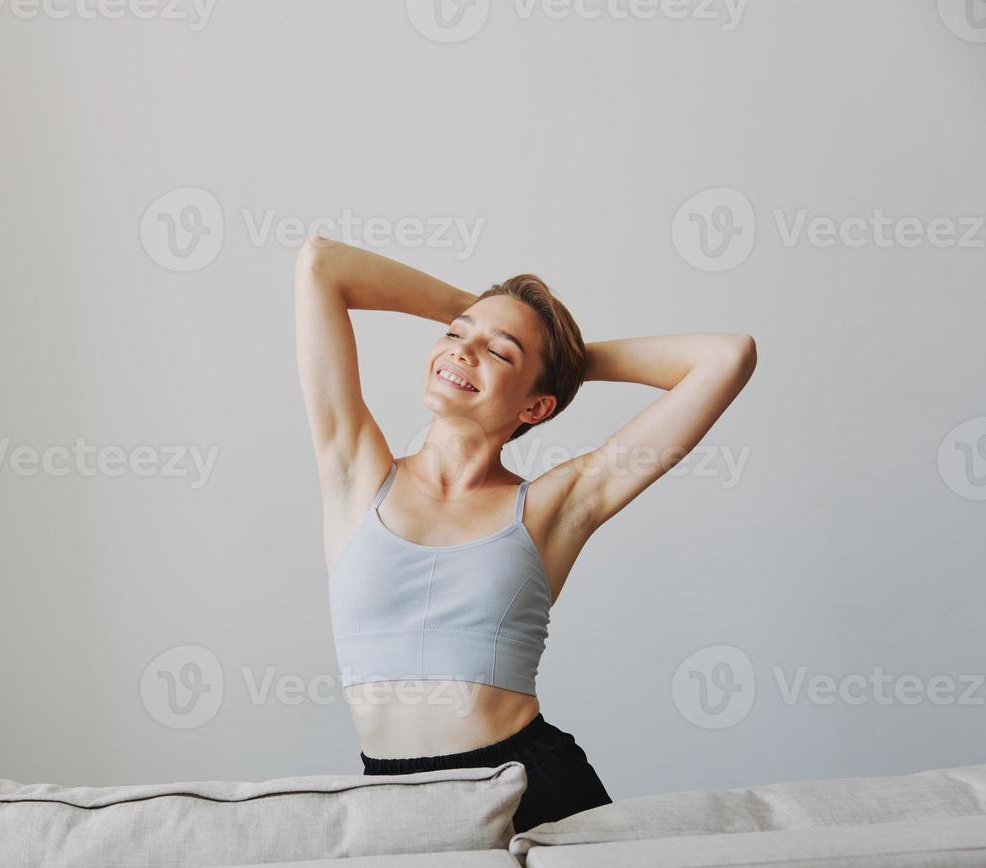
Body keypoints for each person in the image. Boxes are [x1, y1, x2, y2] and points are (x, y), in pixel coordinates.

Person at [294, 235, 756, 832]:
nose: (463, 351)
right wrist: (481, 311)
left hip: (531, 788)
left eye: (499, 353)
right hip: (390, 796)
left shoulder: (552, 506)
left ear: (537, 408)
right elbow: (321, 264)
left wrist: (568, 361)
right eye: (456, 334)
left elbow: (728, 356)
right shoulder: (354, 472)